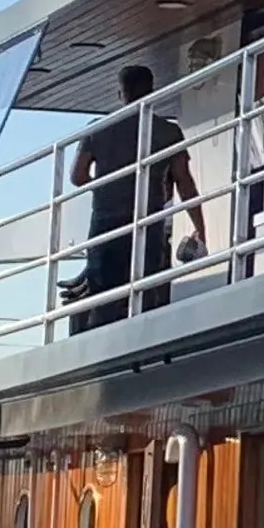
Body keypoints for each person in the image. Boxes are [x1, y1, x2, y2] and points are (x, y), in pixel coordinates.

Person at [67, 63, 209, 331]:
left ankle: (104, 344)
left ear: (120, 93)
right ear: (152, 91)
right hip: (148, 221)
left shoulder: (98, 128)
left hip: (105, 223)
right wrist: (201, 229)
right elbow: (184, 183)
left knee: (104, 297)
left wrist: (108, 185)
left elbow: (77, 176)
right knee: (146, 292)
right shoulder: (168, 132)